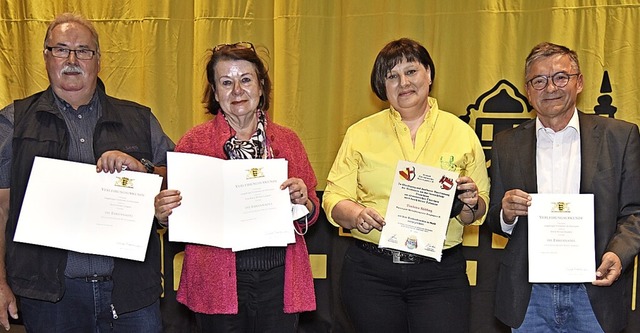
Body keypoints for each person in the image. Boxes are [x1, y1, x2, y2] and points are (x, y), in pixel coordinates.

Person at [0, 13, 174, 332]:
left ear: (98, 60)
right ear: (46, 56)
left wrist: (144, 170)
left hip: (131, 296)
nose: (72, 59)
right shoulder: (14, 122)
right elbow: (1, 208)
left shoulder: (139, 120)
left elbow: (177, 182)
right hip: (52, 299)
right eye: (61, 49)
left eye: (83, 50)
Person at [322, 38, 490, 333]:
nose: (404, 83)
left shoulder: (462, 134)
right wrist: (356, 214)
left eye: (411, 72)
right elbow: (334, 198)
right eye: (392, 76)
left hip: (440, 275)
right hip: (372, 274)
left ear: (428, 74)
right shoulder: (360, 133)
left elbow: (475, 211)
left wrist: (472, 202)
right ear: (382, 86)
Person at [153, 41, 319, 333]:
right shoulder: (194, 143)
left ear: (261, 87)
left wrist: (303, 201)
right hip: (217, 279)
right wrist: (164, 213)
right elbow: (177, 218)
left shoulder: (288, 141)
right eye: (226, 83)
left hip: (279, 279)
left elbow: (312, 213)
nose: (237, 91)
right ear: (215, 93)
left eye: (245, 80)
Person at [487, 42, 640, 332]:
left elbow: (635, 211)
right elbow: (494, 216)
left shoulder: (620, 137)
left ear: (579, 82)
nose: (550, 88)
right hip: (528, 296)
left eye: (560, 77)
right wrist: (506, 213)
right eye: (539, 80)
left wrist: (618, 253)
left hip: (594, 291)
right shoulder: (507, 143)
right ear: (527, 90)